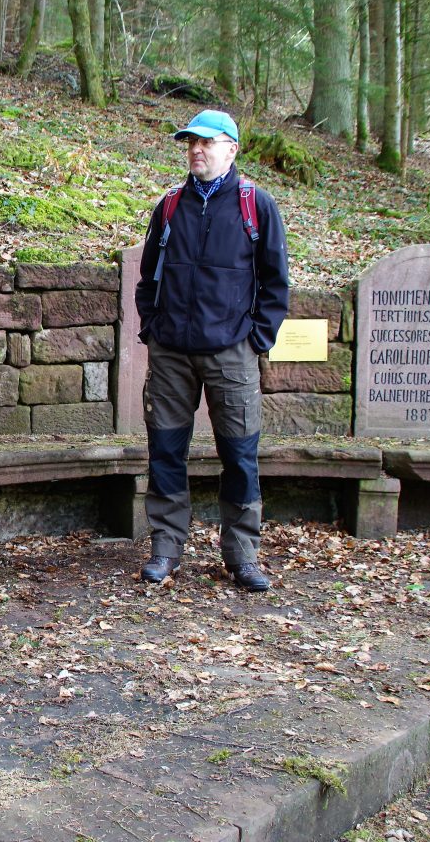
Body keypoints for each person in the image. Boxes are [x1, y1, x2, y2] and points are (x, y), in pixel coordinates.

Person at [134, 109, 289, 591]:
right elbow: (148, 275)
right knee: (166, 451)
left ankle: (242, 555)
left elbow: (275, 282)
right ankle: (165, 549)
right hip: (172, 354)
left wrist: (256, 339)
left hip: (231, 353)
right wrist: (153, 328)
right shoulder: (170, 205)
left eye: (207, 142)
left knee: (240, 455)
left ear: (231, 149)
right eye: (190, 143)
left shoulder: (255, 205)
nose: (196, 150)